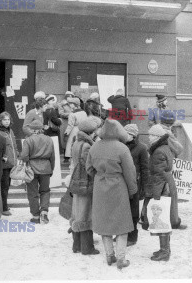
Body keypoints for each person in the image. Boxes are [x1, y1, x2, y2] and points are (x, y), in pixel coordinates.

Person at [86, 119, 137, 269]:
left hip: (100, 187)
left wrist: (99, 175)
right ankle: (121, 259)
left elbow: (89, 168)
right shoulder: (122, 148)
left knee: (104, 223)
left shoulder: (94, 147)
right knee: (122, 224)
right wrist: (132, 190)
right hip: (118, 187)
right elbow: (130, 172)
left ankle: (109, 255)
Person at [145, 124, 187, 262]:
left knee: (161, 218)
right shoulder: (164, 147)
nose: (149, 137)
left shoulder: (158, 151)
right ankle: (165, 249)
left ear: (157, 137)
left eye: (151, 135)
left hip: (162, 188)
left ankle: (164, 251)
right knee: (164, 219)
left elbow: (159, 175)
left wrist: (155, 196)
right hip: (166, 185)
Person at [70, 117, 102, 256]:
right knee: (85, 214)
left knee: (77, 213)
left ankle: (76, 245)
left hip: (76, 182)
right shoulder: (87, 146)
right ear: (91, 132)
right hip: (85, 183)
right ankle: (87, 248)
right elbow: (88, 167)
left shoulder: (77, 143)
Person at [19, 119, 56, 224]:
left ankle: (35, 216)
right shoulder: (49, 140)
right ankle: (44, 212)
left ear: (32, 129)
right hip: (46, 168)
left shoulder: (28, 140)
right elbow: (52, 157)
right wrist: (51, 169)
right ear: (41, 129)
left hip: (32, 169)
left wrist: (27, 162)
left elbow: (24, 156)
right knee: (45, 191)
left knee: (32, 193)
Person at [124, 124, 150, 246]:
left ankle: (132, 237)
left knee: (134, 212)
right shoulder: (121, 146)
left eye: (127, 133)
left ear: (133, 135)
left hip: (136, 184)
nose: (124, 135)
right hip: (123, 183)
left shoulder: (142, 148)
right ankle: (122, 235)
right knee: (123, 210)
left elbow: (145, 168)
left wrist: (145, 187)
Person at [0, 111, 19, 216]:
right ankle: (3, 208)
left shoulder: (10, 131)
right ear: (0, 121)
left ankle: (3, 205)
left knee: (7, 186)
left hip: (11, 162)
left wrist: (17, 155)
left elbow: (14, 146)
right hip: (3, 164)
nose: (7, 121)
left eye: (8, 119)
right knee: (4, 186)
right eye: (4, 120)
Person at [64, 97, 87, 163]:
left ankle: (71, 158)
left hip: (74, 130)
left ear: (75, 104)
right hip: (82, 129)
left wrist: (66, 133)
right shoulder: (84, 112)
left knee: (71, 144)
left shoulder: (72, 114)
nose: (70, 105)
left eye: (71, 104)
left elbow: (70, 125)